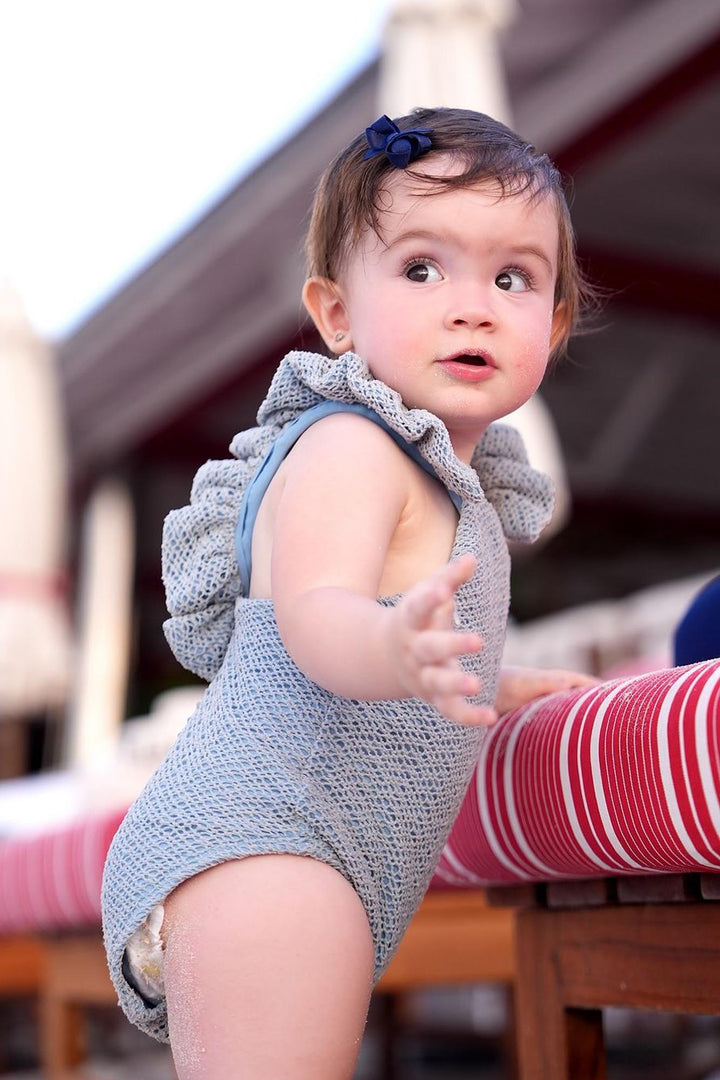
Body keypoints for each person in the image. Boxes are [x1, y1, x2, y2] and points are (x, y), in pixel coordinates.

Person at [101, 108, 597, 1078]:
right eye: (422, 268)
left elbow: (393, 635)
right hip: (265, 844)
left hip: (313, 857)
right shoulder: (353, 444)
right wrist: (396, 650)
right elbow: (318, 615)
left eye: (513, 278)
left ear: (557, 320)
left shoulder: (456, 483)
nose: (473, 304)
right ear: (335, 314)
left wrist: (481, 679)